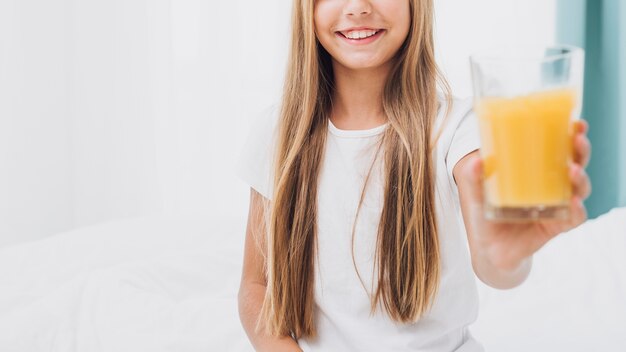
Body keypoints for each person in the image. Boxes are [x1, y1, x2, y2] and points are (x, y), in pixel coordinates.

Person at [235, 0, 592, 351]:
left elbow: (495, 259)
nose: (358, 7)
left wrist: (505, 258)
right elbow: (256, 286)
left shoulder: (457, 127)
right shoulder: (277, 133)